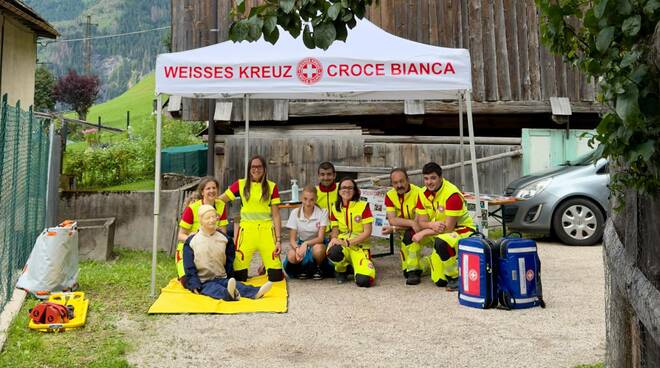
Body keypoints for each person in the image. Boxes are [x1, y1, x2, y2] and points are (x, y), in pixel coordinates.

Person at [181, 204, 272, 300]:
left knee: (238, 285)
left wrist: (230, 277)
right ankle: (228, 294)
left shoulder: (224, 238)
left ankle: (255, 292)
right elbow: (189, 266)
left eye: (213, 217)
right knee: (214, 289)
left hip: (221, 277)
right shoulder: (192, 241)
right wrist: (194, 284)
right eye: (208, 218)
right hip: (203, 281)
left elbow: (229, 260)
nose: (212, 220)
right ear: (200, 221)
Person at [219, 155, 284, 282]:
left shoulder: (272, 186)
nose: (256, 169)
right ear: (249, 169)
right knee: (239, 277)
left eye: (259, 166)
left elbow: (276, 215)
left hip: (266, 230)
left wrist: (278, 240)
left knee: (276, 277)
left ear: (264, 169)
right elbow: (221, 200)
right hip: (246, 231)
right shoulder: (240, 184)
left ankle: (266, 266)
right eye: (253, 167)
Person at [412, 162, 475, 291]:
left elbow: (448, 228)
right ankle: (416, 267)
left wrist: (423, 232)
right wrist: (431, 224)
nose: (429, 182)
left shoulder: (452, 194)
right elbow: (421, 222)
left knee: (441, 241)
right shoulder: (422, 193)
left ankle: (455, 277)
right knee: (440, 281)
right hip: (438, 230)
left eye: (433, 178)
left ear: (441, 177)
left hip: (463, 230)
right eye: (426, 178)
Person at [175, 177, 228, 279]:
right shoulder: (192, 208)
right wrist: (197, 239)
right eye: (208, 188)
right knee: (187, 280)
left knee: (219, 277)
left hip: (210, 247)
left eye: (214, 188)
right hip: (189, 248)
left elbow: (223, 232)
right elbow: (180, 235)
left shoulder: (221, 205)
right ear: (202, 192)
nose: (212, 191)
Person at [381, 168, 427, 286]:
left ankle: (414, 271)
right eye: (395, 183)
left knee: (410, 236)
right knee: (405, 272)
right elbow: (392, 220)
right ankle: (427, 263)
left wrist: (397, 226)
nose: (399, 185)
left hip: (424, 229)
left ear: (408, 180)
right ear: (391, 184)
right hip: (405, 231)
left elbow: (417, 224)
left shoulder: (419, 193)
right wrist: (410, 223)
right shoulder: (390, 195)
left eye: (402, 181)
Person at [327, 177, 376, 287]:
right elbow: (335, 230)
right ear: (339, 191)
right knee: (333, 251)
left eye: (350, 188)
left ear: (355, 191)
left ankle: (357, 266)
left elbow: (367, 232)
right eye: (344, 187)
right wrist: (334, 239)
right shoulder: (335, 208)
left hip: (360, 247)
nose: (347, 190)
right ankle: (342, 270)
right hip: (343, 246)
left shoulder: (363, 206)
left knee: (364, 281)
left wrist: (349, 243)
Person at [283, 185, 334, 280]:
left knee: (318, 250)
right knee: (291, 255)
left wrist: (306, 244)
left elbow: (320, 238)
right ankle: (301, 269)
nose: (308, 203)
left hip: (317, 243)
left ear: (316, 199)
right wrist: (297, 248)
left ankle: (317, 268)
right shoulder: (295, 213)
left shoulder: (323, 212)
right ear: (301, 198)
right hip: (301, 243)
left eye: (311, 199)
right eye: (305, 199)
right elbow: (292, 240)